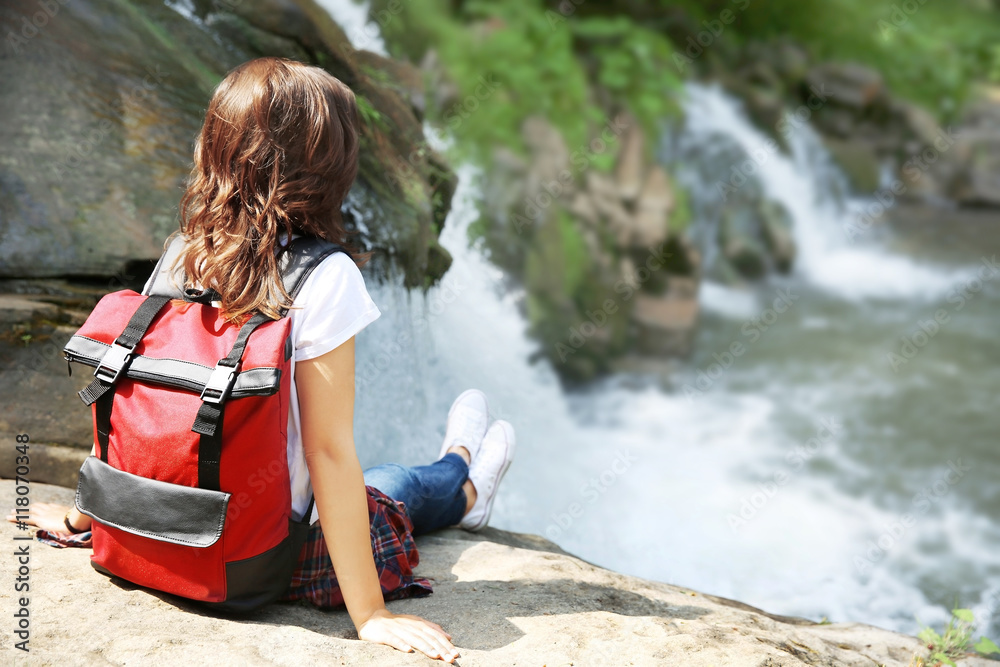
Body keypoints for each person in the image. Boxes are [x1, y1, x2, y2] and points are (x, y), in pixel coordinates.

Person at [5, 57, 516, 664]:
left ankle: (461, 467)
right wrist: (371, 616)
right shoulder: (326, 276)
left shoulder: (182, 253)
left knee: (381, 482)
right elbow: (327, 453)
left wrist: (92, 515)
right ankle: (463, 482)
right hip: (264, 559)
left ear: (216, 148)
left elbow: (135, 399)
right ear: (327, 166)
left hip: (149, 535)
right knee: (387, 488)